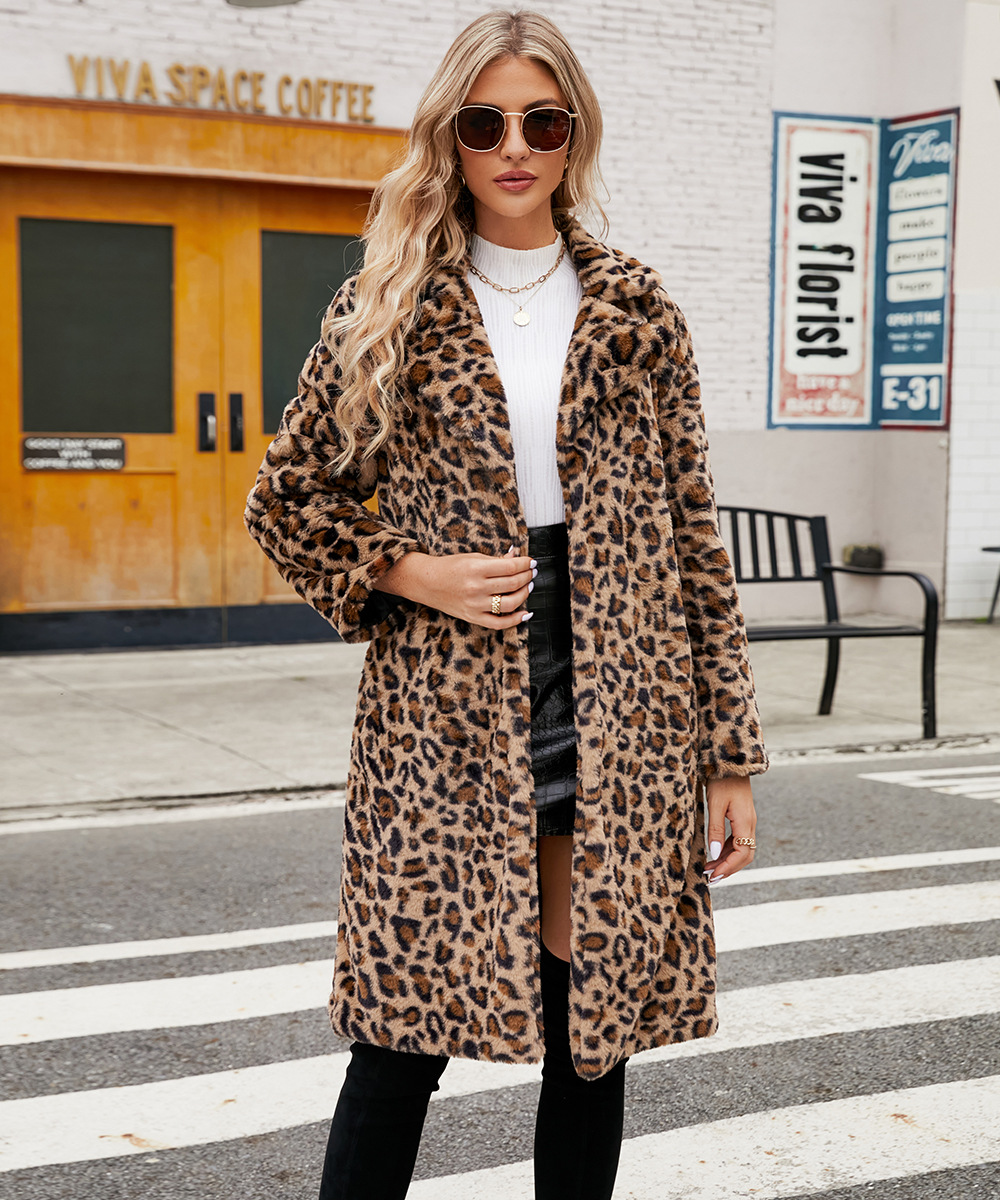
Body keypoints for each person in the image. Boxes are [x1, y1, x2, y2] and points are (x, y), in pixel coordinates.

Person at [244, 9, 768, 1198]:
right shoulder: (387, 306)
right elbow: (288, 501)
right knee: (400, 1036)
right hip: (444, 709)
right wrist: (409, 571)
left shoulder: (636, 309)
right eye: (484, 124)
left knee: (592, 1032)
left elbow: (694, 533)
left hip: (624, 693)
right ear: (450, 137)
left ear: (576, 134)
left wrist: (728, 754)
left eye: (543, 121)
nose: (515, 147)